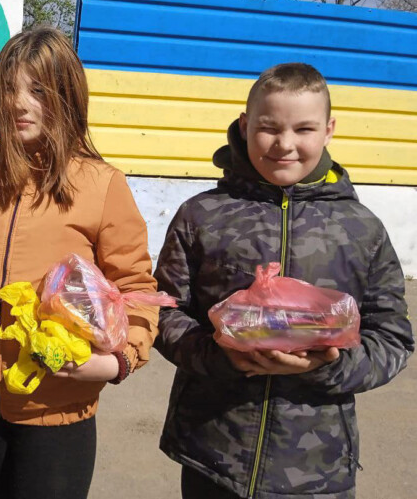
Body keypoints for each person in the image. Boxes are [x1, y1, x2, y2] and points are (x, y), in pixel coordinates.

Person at [153, 62, 414, 499]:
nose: (285, 144)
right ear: (245, 125)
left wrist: (328, 365)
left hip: (317, 467)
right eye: (268, 128)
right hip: (212, 454)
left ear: (329, 130)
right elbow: (163, 311)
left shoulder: (361, 229)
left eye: (304, 129)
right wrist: (219, 355)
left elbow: (392, 338)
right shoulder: (201, 216)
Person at [0, 26, 160, 499]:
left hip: (59, 413)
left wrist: (118, 360)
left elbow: (136, 288)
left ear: (68, 97)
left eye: (38, 90)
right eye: (9, 88)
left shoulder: (101, 185)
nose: (19, 104)